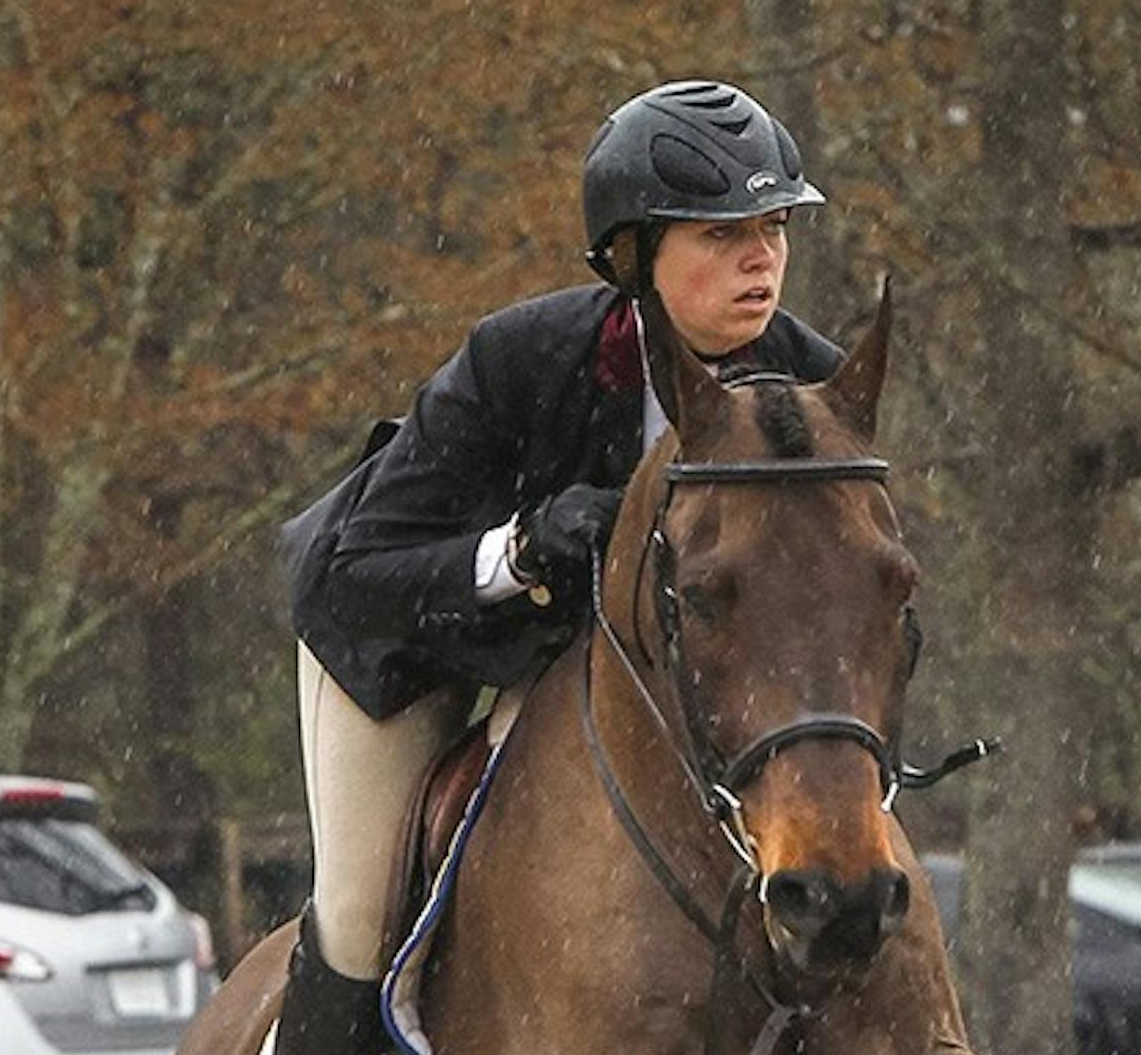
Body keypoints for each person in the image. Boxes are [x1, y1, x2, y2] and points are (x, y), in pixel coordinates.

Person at [274, 80, 843, 1054]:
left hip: (613, 680)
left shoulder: (807, 385)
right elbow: (355, 575)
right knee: (362, 918)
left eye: (777, 225)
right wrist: (520, 550)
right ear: (633, 253)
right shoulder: (520, 360)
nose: (763, 259)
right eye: (721, 235)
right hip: (417, 649)